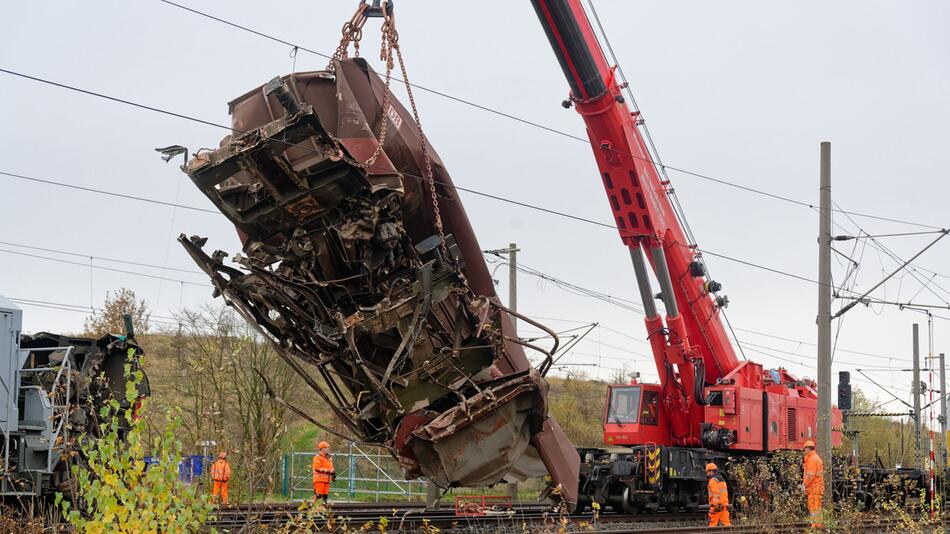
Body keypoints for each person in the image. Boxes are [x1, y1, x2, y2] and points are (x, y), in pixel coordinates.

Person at [802, 440, 824, 528]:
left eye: (805, 449)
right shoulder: (817, 458)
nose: (804, 451)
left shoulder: (811, 459)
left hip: (813, 488)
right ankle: (818, 524)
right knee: (817, 507)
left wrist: (804, 485)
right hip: (817, 487)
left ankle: (815, 526)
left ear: (808, 449)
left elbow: (810, 476)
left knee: (813, 506)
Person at [705, 462, 731, 526]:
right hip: (724, 504)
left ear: (711, 471)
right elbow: (724, 493)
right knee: (726, 524)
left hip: (717, 506)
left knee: (713, 524)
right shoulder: (722, 480)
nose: (707, 474)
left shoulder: (713, 481)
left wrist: (715, 506)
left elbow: (715, 494)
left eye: (707, 472)